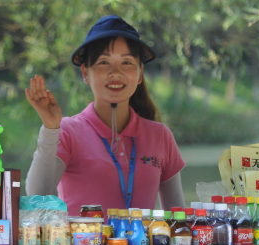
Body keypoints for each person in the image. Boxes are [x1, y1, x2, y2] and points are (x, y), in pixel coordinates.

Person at [25, 15, 185, 214]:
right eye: (103, 62)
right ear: (85, 73)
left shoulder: (160, 136)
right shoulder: (67, 131)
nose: (115, 72)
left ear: (140, 73)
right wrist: (50, 128)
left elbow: (178, 219)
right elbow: (38, 198)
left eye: (126, 62)